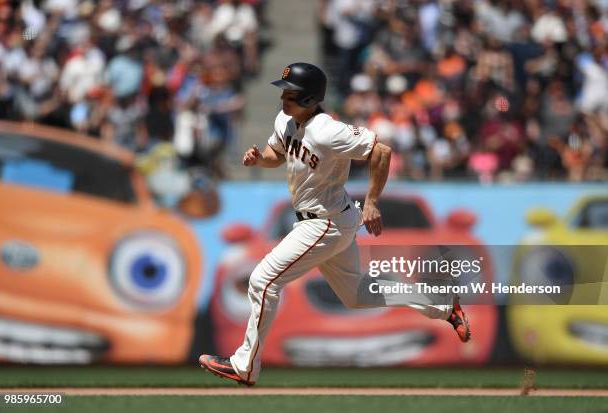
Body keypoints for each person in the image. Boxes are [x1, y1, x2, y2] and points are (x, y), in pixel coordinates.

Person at [199, 62, 471, 386]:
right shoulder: (286, 120)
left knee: (262, 280)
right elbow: (277, 152)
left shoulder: (327, 129)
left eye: (291, 93)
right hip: (327, 221)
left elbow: (381, 151)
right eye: (283, 91)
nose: (284, 97)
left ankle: (244, 366)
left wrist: (371, 201)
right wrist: (260, 158)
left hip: (323, 223)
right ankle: (444, 307)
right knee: (357, 295)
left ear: (311, 99)